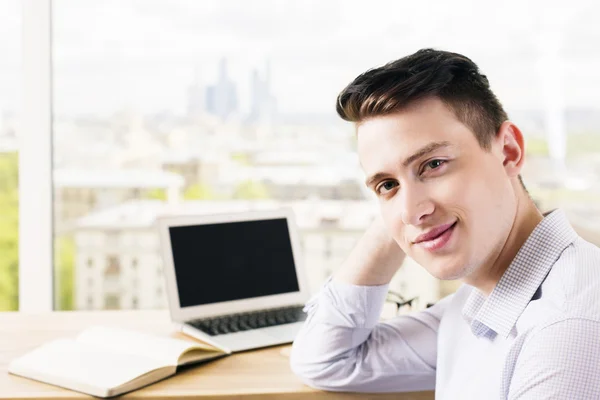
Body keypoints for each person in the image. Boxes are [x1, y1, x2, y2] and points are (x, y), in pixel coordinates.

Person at [290, 49, 600, 399]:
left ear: (509, 152)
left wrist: (414, 205)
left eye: (433, 164)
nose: (410, 210)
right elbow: (328, 360)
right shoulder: (482, 301)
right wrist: (408, 214)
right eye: (386, 185)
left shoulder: (568, 327)